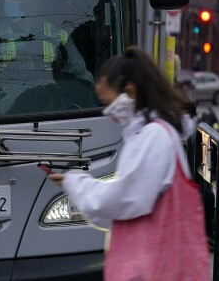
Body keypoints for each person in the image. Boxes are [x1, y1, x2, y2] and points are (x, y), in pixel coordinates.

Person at [47, 46, 209, 280]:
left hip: (156, 269)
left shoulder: (154, 136)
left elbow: (125, 198)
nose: (109, 113)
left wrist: (76, 183)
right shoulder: (147, 134)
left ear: (130, 91)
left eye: (108, 103)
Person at [0, 0, 92, 114]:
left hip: (50, 108)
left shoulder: (59, 35)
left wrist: (80, 103)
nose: (8, 0)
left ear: (33, 1)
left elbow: (80, 75)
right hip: (1, 109)